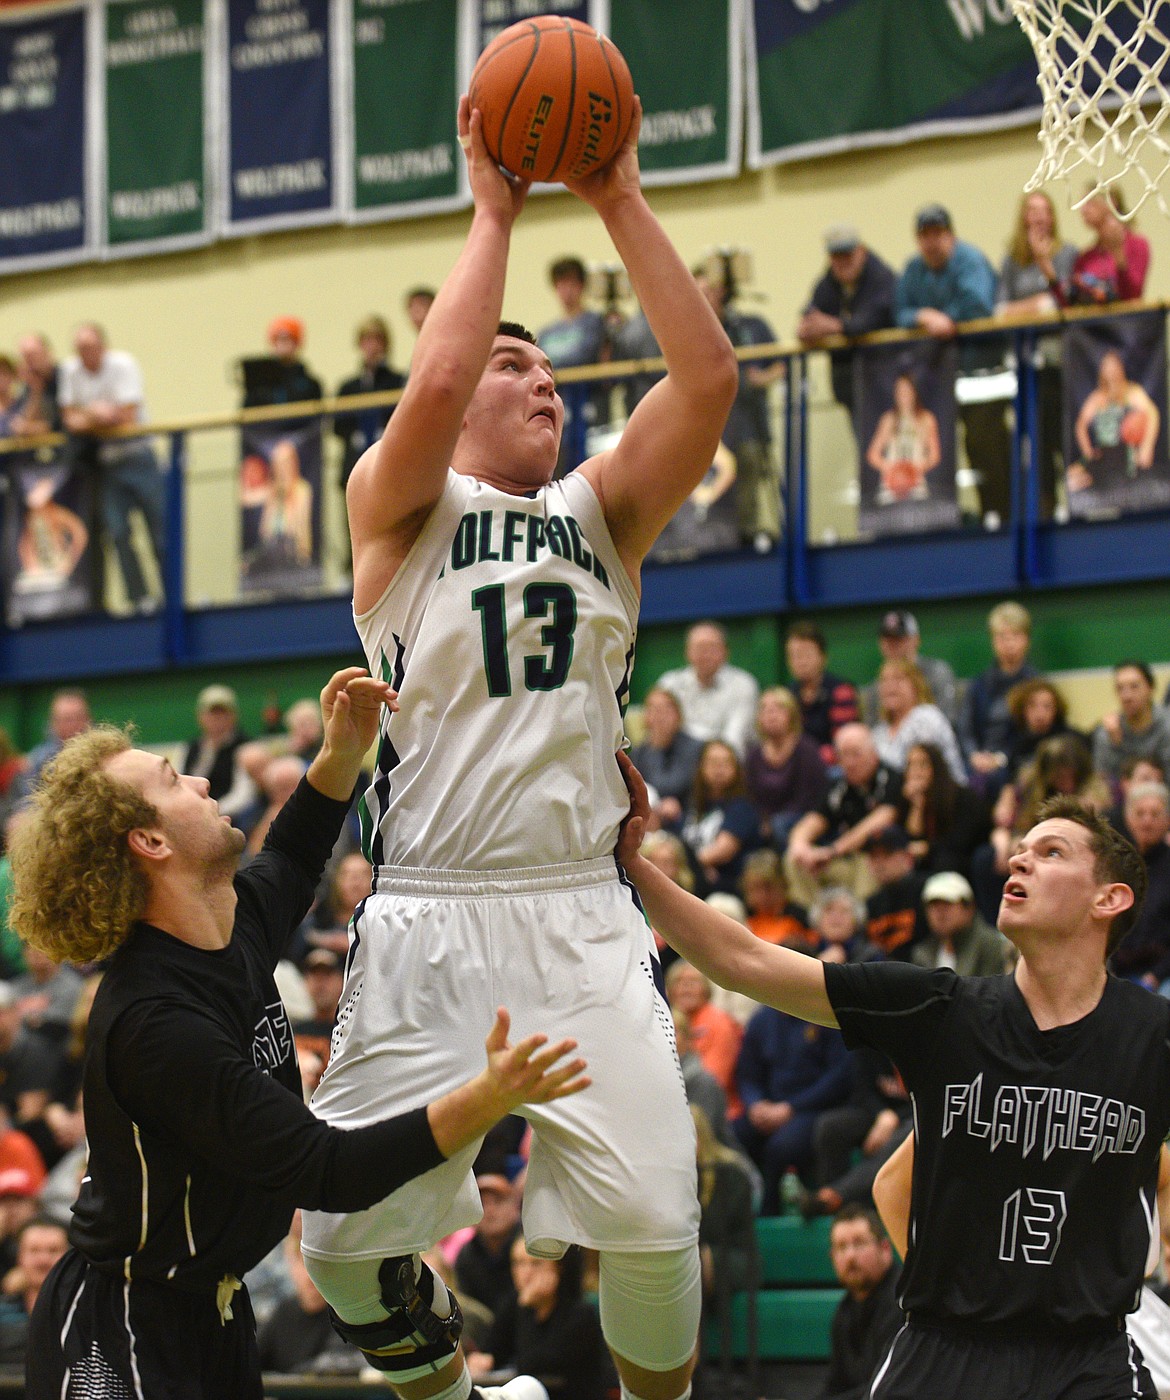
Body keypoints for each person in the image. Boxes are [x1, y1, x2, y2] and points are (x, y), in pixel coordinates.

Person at [304, 90, 739, 1400]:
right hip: (429, 914)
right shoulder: (392, 510)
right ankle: (447, 1385)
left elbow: (707, 379)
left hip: (574, 915)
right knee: (332, 1250)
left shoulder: (600, 510)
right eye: (515, 365)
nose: (539, 378)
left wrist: (615, 196)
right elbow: (434, 377)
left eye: (550, 370)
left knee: (660, 1224)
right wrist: (492, 204)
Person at [10, 668, 588, 1400]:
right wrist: (490, 1095)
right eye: (171, 779)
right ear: (150, 840)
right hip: (119, 1325)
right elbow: (326, 1170)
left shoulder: (228, 927)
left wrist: (342, 753)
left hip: (210, 1312)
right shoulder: (155, 1024)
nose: (199, 780)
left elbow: (290, 854)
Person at [616, 752, 1170, 1398]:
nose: (1019, 860)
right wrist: (633, 865)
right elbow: (745, 961)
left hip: (1087, 1360)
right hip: (945, 1352)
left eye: (1051, 853)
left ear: (1111, 897)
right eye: (1020, 849)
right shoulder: (943, 1011)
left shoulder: (1153, 1037)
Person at [894, 204, 1009, 523]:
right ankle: (947, 518)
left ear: (950, 236)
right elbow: (900, 310)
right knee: (938, 447)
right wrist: (923, 316)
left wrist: (948, 319)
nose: (931, 242)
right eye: (925, 235)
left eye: (937, 234)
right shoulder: (914, 269)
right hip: (940, 380)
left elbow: (979, 305)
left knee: (985, 444)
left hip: (984, 373)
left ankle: (1000, 514)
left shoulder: (970, 260)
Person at [58, 322, 166, 613]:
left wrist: (88, 417)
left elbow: (127, 416)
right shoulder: (70, 371)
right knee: (118, 535)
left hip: (139, 456)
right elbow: (69, 420)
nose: (85, 353)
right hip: (107, 465)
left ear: (103, 346)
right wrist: (99, 414)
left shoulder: (123, 364)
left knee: (160, 534)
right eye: (80, 348)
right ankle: (140, 600)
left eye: (91, 347)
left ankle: (173, 597)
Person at [996, 191, 1078, 515]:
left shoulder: (1066, 253)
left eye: (1046, 210)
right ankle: (1045, 509)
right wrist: (1038, 306)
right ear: (1023, 217)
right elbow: (1000, 311)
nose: (1040, 217)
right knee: (1035, 445)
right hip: (1023, 366)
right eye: (1033, 210)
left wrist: (1028, 307)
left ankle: (1076, 508)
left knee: (1064, 438)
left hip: (1061, 364)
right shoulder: (1011, 260)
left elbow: (1059, 303)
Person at [694, 265, 785, 552]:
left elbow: (781, 363)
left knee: (751, 473)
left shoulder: (750, 325)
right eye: (698, 293)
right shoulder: (690, 334)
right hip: (708, 426)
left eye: (709, 291)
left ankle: (752, 534)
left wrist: (762, 379)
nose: (705, 298)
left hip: (747, 421)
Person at [733, 999, 852, 1214]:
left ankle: (770, 1214)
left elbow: (838, 1078)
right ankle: (735, 1216)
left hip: (813, 1107)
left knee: (782, 1147)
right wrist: (755, 1103)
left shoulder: (825, 1015)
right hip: (768, 1106)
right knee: (733, 1135)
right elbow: (747, 1074)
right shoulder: (761, 1020)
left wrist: (791, 1107)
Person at [470, 1241, 610, 1400]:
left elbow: (532, 1365)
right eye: (519, 1263)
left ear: (558, 1268)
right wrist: (482, 1360)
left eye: (536, 1264)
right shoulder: (514, 1305)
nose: (526, 1273)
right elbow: (492, 1351)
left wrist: (525, 1307)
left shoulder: (580, 1315)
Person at [785, 723, 901, 906]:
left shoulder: (891, 779)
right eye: (843, 755)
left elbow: (880, 821)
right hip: (842, 861)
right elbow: (813, 820)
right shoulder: (838, 786)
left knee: (868, 861)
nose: (849, 762)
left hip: (881, 859)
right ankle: (815, 921)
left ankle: (857, 924)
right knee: (794, 859)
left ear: (874, 754)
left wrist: (833, 851)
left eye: (855, 754)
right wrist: (799, 845)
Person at [797, 224, 897, 417]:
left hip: (884, 380)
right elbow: (808, 319)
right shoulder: (828, 283)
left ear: (861, 251)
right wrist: (809, 328)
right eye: (836, 256)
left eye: (847, 254)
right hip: (848, 383)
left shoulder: (882, 277)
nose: (842, 262)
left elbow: (873, 320)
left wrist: (834, 326)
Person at [819, 1206, 903, 1400]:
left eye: (859, 1244)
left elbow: (885, 1389)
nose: (850, 1256)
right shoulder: (844, 1312)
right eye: (841, 1247)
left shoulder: (903, 1303)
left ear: (885, 1249)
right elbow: (835, 1386)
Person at [333, 315, 406, 524]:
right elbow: (338, 427)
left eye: (377, 340)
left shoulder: (396, 381)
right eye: (366, 340)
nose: (371, 346)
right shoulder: (348, 387)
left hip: (389, 467)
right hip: (354, 465)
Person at [958, 600, 1038, 788]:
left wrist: (1002, 758)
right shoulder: (979, 684)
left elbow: (1034, 735)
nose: (1008, 643)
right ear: (993, 641)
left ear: (1027, 640)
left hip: (1016, 763)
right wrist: (974, 755)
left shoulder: (1036, 685)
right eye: (1002, 637)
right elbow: (965, 728)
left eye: (1015, 635)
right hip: (977, 762)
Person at [655, 620, 761, 757]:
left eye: (712, 647)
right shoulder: (669, 684)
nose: (705, 653)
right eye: (699, 647)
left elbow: (733, 741)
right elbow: (660, 737)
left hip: (726, 765)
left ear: (725, 651)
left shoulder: (743, 685)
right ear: (687, 652)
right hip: (677, 766)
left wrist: (684, 736)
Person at [743, 685, 829, 850]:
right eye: (765, 709)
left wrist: (771, 822)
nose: (771, 715)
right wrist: (762, 820)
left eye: (778, 708)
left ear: (792, 714)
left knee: (780, 825)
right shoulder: (753, 755)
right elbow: (749, 795)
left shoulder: (807, 750)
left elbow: (810, 798)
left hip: (801, 819)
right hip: (764, 821)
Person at [679, 739, 764, 899]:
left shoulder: (741, 807)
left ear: (737, 769)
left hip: (728, 888)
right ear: (701, 767)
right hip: (696, 881)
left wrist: (688, 866)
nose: (719, 768)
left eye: (726, 763)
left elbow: (723, 851)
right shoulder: (694, 806)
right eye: (713, 762)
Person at [892, 742, 990, 880]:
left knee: (944, 862)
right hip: (931, 860)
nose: (915, 771)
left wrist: (928, 848)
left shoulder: (961, 797)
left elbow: (960, 841)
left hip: (962, 860)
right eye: (910, 765)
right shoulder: (908, 800)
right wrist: (917, 807)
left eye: (922, 764)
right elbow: (912, 837)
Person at [1069, 351, 1161, 494]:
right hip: (1104, 456)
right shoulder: (1097, 397)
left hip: (1127, 455)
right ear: (1102, 370)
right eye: (1107, 366)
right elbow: (1081, 424)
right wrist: (1088, 452)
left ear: (1121, 368)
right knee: (1072, 477)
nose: (1112, 371)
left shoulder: (1132, 392)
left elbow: (1152, 414)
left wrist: (1147, 446)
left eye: (1114, 365)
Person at [1108, 783, 1170, 991]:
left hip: (1161, 975)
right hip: (1116, 971)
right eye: (1140, 813)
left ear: (1168, 820)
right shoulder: (1116, 867)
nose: (1147, 820)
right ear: (1128, 818)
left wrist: (1155, 976)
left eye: (1155, 814)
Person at [870, 659, 966, 785]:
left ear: (916, 686)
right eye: (884, 680)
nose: (890, 686)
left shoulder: (927, 717)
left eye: (898, 679)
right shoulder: (879, 732)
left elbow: (922, 770)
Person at [859, 610, 958, 730]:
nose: (893, 646)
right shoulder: (876, 689)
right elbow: (872, 733)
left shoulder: (937, 673)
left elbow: (947, 723)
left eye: (899, 639)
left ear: (916, 640)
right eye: (888, 640)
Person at [627, 686, 704, 832]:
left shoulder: (697, 749)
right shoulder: (638, 753)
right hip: (650, 821)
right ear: (645, 716)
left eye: (667, 709)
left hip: (688, 821)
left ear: (679, 715)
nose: (660, 716)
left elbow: (679, 785)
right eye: (653, 709)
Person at [785, 621, 860, 767]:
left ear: (823, 657)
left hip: (833, 769)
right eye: (794, 655)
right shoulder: (787, 696)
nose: (800, 661)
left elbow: (844, 745)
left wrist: (808, 758)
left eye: (806, 654)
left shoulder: (841, 691)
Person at [181, 683, 257, 824]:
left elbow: (243, 795)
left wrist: (212, 812)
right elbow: (182, 781)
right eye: (212, 713)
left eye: (222, 712)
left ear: (234, 715)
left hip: (228, 819)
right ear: (200, 717)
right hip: (192, 815)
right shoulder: (192, 747)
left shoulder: (246, 748)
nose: (217, 718)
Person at [911, 871, 1011, 977]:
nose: (940, 913)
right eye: (933, 905)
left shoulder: (991, 946)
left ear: (969, 908)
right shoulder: (922, 953)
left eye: (947, 904)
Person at [1064, 185, 1151, 306]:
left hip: (1125, 322)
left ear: (1111, 202)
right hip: (1092, 322)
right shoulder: (1086, 256)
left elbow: (1132, 297)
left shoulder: (1137, 244)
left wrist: (1118, 253)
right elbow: (1069, 304)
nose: (1083, 210)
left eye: (1089, 203)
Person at [0, 1215, 68, 1367]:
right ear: (19, 1257)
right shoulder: (2, 1311)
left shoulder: (85, 1314)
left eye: (53, 1251)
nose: (43, 1260)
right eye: (34, 1251)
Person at [455, 1168, 522, 1323]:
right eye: (482, 1204)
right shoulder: (466, 1256)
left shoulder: (531, 1247)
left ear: (515, 1206)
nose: (490, 1211)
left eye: (498, 1202)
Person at [865, 374, 941, 504]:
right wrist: (891, 468)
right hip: (891, 484)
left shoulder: (926, 419)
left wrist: (917, 467)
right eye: (899, 391)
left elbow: (935, 455)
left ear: (914, 392)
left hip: (916, 482)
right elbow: (872, 454)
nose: (903, 395)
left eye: (907, 390)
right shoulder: (888, 420)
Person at [1093, 661, 1170, 784]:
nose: (1126, 696)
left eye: (1134, 686)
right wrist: (1115, 746)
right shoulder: (1107, 731)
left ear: (1150, 688)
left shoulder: (1166, 724)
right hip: (1124, 801)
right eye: (1120, 688)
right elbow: (1103, 784)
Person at [8, 334, 60, 438]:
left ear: (48, 353)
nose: (29, 361)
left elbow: (65, 421)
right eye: (25, 356)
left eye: (33, 354)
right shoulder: (29, 386)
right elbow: (22, 425)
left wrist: (44, 427)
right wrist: (36, 391)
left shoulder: (64, 377)